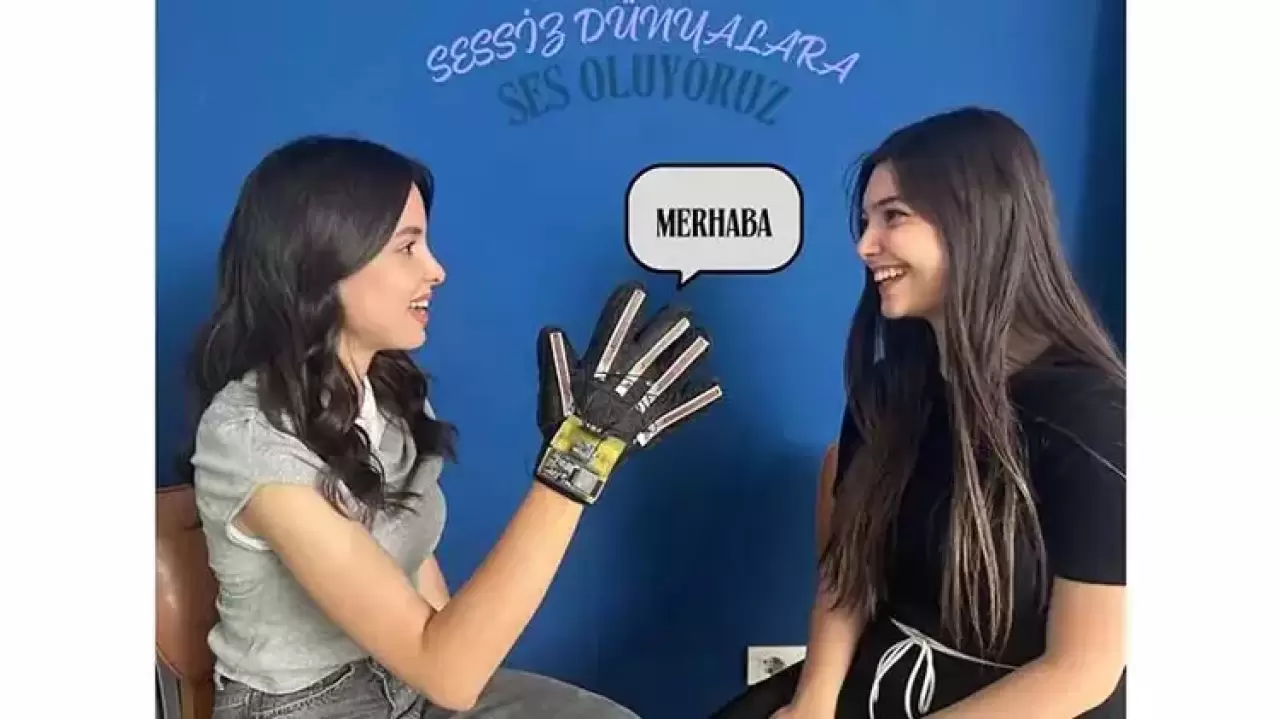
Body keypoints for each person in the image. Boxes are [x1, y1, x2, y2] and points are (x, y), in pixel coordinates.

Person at [175, 135, 722, 718]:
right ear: (322, 264)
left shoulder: (390, 397)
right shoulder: (252, 440)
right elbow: (448, 672)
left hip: (406, 685)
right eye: (407, 248)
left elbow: (435, 630)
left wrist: (449, 669)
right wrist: (575, 462)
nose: (436, 270)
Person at [708, 107, 1126, 718]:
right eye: (865, 221)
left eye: (894, 216)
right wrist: (812, 703)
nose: (864, 246)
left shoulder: (1094, 418)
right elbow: (846, 579)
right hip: (888, 673)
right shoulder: (889, 393)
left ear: (977, 222)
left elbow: (1081, 670)